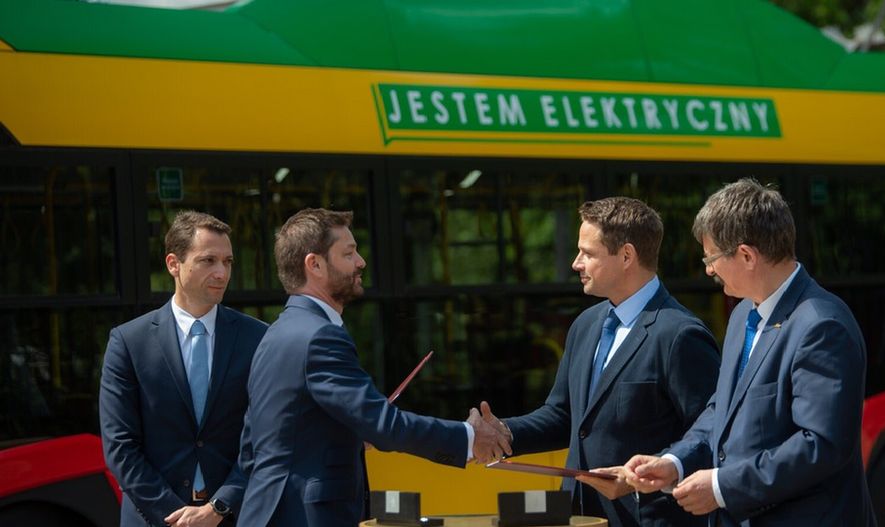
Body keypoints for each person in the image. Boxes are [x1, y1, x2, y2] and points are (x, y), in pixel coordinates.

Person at [579, 179, 876, 526]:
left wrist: (722, 487)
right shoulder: (742, 315)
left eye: (712, 257)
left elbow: (820, 446)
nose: (708, 269)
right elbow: (721, 411)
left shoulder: (821, 325)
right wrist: (674, 462)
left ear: (747, 255)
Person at [237, 208, 511, 527]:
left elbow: (255, 445)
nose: (361, 262)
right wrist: (469, 436)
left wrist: (352, 435)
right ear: (315, 265)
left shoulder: (274, 334)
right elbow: (383, 424)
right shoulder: (320, 336)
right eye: (348, 253)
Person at [482, 197, 721, 526]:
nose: (576, 264)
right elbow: (564, 417)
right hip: (578, 516)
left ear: (626, 256)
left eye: (587, 253)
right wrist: (505, 433)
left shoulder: (681, 335)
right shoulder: (585, 325)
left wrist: (645, 475)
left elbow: (711, 433)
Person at [99, 211, 268, 527]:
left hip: (234, 517)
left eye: (228, 262)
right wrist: (177, 518)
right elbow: (120, 447)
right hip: (155, 519)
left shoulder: (258, 338)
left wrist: (217, 508)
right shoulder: (129, 342)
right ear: (173, 264)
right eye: (208, 261)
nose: (221, 272)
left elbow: (266, 437)